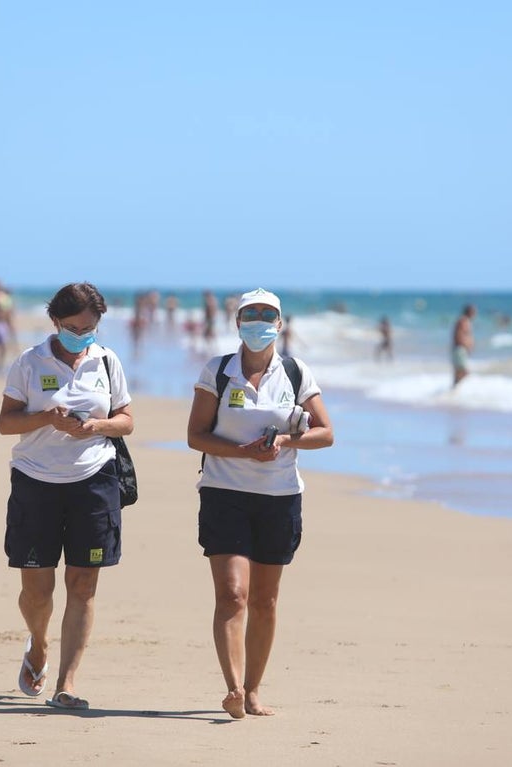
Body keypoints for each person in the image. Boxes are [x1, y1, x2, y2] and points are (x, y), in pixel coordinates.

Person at [186, 287, 334, 719]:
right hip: (224, 493)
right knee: (233, 594)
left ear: (280, 324)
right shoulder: (217, 371)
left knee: (265, 602)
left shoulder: (295, 372)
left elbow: (326, 432)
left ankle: (253, 691)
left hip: (279, 497)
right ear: (237, 323)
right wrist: (244, 451)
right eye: (250, 315)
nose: (259, 323)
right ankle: (232, 688)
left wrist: (287, 440)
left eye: (267, 315)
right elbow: (196, 435)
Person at [0, 282, 134, 710]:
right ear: (55, 321)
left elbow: (126, 421)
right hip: (36, 480)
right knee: (37, 590)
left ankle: (66, 683)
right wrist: (45, 418)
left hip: (94, 479)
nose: (82, 334)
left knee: (83, 583)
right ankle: (38, 644)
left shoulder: (107, 362)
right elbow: (5, 423)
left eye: (90, 327)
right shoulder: (29, 362)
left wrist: (96, 427)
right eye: (73, 327)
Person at [451, 303, 476, 388]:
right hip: (460, 349)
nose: (475, 314)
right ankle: (454, 389)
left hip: (460, 349)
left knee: (459, 372)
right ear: (470, 312)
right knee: (463, 371)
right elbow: (459, 335)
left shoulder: (464, 321)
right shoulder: (463, 321)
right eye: (474, 312)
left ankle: (454, 390)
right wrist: (466, 346)